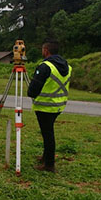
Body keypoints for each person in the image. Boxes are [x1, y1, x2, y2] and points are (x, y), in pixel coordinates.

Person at [27, 40, 72, 173]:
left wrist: (31, 93)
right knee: (48, 132)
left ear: (46, 51)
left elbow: (33, 90)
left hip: (45, 106)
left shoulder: (45, 66)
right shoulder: (67, 66)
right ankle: (46, 157)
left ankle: (49, 164)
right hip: (58, 105)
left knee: (48, 134)